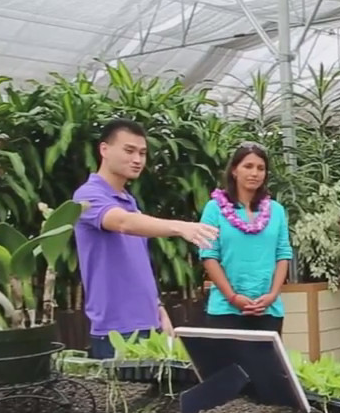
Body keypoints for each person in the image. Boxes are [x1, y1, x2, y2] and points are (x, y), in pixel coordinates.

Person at [72, 118, 218, 359]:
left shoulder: (129, 201)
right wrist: (179, 227)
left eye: (142, 153)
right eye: (129, 151)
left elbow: (136, 263)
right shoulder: (87, 196)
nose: (137, 159)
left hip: (150, 327)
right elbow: (122, 223)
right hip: (115, 333)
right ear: (104, 150)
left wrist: (158, 308)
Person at [198, 143, 293, 334]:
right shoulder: (214, 208)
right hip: (225, 310)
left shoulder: (276, 210)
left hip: (267, 309)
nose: (254, 173)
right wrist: (232, 297)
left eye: (260, 168)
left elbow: (283, 254)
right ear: (234, 170)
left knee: (266, 364)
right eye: (248, 166)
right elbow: (209, 255)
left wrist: (273, 295)